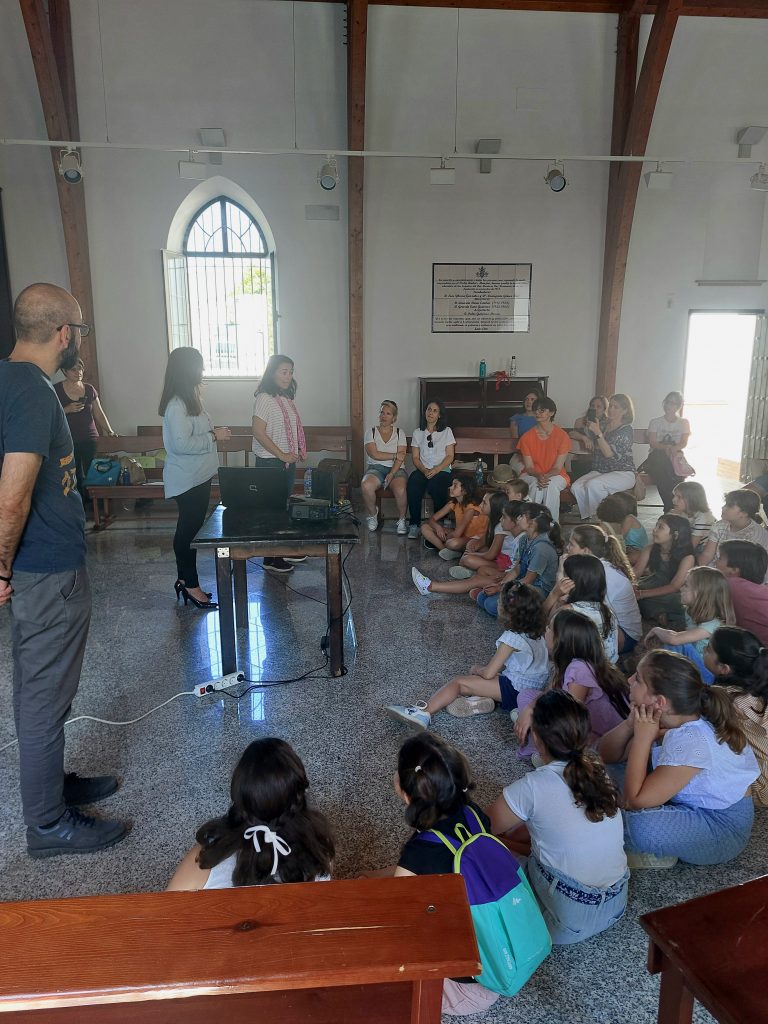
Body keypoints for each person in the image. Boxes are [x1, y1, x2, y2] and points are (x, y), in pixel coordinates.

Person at [0, 282, 127, 856]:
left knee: (44, 690)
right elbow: (14, 493)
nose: (79, 338)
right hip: (47, 572)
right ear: (64, 333)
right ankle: (48, 824)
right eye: (80, 329)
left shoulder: (10, 381)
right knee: (44, 696)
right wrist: (2, 567)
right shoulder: (31, 390)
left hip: (39, 570)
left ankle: (53, 786)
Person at [489, 691, 629, 945]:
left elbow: (482, 826)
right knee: (536, 828)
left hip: (563, 921)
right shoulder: (598, 772)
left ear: (537, 738)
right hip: (616, 906)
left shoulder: (533, 786)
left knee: (480, 846)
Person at [608, 651, 758, 869]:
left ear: (660, 701)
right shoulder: (674, 716)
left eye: (638, 679)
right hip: (688, 805)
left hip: (720, 829)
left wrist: (642, 739)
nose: (629, 680)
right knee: (606, 771)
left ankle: (660, 851)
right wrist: (630, 725)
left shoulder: (691, 739)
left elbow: (634, 801)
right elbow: (606, 754)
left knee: (637, 827)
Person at [388, 733, 501, 1015]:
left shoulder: (419, 855)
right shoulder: (474, 814)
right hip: (500, 956)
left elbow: (398, 919)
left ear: (406, 794)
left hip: (465, 990)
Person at [167, 738, 334, 890]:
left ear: (239, 795)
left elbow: (168, 905)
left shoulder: (207, 859)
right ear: (300, 795)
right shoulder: (320, 849)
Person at [384, 581, 548, 730]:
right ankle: (480, 701)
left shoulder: (512, 638)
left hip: (515, 691)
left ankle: (423, 712)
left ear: (507, 612)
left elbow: (489, 673)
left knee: (459, 683)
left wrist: (478, 670)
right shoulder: (539, 633)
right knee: (485, 679)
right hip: (532, 692)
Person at [160, 347, 230, 606]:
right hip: (187, 479)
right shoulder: (176, 405)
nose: (203, 371)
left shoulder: (190, 399)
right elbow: (181, 445)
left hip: (198, 476)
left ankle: (185, 580)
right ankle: (190, 584)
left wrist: (212, 433)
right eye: (199, 366)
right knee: (187, 533)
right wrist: (214, 436)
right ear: (187, 370)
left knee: (190, 530)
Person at [514, 609, 630, 754]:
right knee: (526, 696)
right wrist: (531, 708)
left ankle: (542, 750)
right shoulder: (578, 662)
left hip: (596, 741)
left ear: (560, 640)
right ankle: (531, 730)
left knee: (541, 715)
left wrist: (535, 713)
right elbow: (550, 694)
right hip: (583, 726)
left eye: (550, 628)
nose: (546, 629)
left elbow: (569, 719)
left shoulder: (579, 669)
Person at [252, 354, 306, 572]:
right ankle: (272, 558)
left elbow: (289, 429)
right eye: (284, 372)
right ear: (272, 373)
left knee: (282, 508)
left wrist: (294, 451)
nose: (288, 376)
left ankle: (280, 550)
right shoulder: (264, 398)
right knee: (272, 510)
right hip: (271, 462)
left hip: (285, 460)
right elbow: (258, 432)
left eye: (290, 372)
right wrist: (282, 454)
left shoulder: (285, 398)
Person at [705, 627, 768, 807]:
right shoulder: (760, 682)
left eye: (708, 649)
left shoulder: (729, 698)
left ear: (724, 668)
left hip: (761, 786)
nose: (704, 650)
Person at [411, 499, 525, 597]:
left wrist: (501, 583)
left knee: (476, 580)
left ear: (516, 521)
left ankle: (430, 586)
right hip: (509, 573)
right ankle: (484, 590)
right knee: (482, 570)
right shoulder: (518, 537)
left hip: (513, 577)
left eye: (504, 517)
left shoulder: (522, 540)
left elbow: (520, 572)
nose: (500, 520)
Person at [646, 566, 735, 683]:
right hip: (691, 664)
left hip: (707, 675)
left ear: (701, 593)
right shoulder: (690, 611)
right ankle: (654, 670)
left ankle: (652, 673)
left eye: (686, 585)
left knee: (677, 643)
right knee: (670, 641)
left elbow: (675, 639)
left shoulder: (713, 625)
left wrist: (656, 630)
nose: (680, 588)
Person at [563, 524, 641, 652]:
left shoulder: (604, 573)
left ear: (586, 551)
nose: (567, 548)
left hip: (626, 636)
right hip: (611, 625)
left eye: (571, 544)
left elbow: (596, 612)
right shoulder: (592, 567)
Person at [53, 356, 117, 504]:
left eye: (80, 368)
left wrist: (110, 431)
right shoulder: (56, 389)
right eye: (74, 369)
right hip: (68, 439)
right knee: (73, 473)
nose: (78, 372)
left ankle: (98, 504)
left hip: (90, 437)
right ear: (64, 371)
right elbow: (51, 415)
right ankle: (79, 504)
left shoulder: (89, 389)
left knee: (94, 471)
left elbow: (99, 413)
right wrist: (66, 409)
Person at [569, 394, 636, 520]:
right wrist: (584, 436)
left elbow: (608, 453)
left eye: (616, 407)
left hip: (623, 472)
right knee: (576, 487)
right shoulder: (603, 425)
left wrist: (598, 433)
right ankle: (589, 517)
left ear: (625, 410)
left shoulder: (626, 430)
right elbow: (573, 433)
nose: (611, 409)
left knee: (593, 485)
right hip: (601, 471)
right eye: (610, 406)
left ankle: (601, 519)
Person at [543, 554, 619, 663]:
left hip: (576, 671)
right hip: (606, 668)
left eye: (564, 576)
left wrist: (554, 594)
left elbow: (539, 627)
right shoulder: (608, 611)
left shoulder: (566, 612)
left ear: (570, 583)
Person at [634, 513, 695, 628]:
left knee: (682, 603)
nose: (654, 530)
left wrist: (642, 594)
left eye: (660, 527)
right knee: (632, 595)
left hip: (676, 592)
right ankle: (661, 615)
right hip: (653, 584)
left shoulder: (687, 557)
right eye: (656, 526)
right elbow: (635, 573)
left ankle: (663, 615)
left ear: (675, 534)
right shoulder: (650, 549)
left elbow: (674, 587)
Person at [406, 399, 456, 539]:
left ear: (439, 415)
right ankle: (414, 524)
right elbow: (415, 457)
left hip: (442, 469)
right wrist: (424, 470)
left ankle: (439, 522)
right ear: (425, 412)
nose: (431, 413)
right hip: (423, 469)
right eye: (429, 409)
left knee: (436, 485)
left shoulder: (446, 431)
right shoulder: (418, 433)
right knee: (413, 483)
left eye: (435, 411)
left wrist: (437, 469)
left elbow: (450, 456)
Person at [517, 397, 571, 523]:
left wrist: (545, 476)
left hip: (556, 474)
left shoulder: (562, 436)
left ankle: (551, 525)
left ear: (551, 412)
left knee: (550, 485)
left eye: (542, 410)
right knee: (536, 485)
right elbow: (529, 467)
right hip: (531, 474)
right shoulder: (526, 437)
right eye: (536, 410)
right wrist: (539, 476)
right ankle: (530, 523)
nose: (537, 413)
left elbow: (557, 467)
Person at [697, 489, 768, 582]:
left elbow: (744, 572)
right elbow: (707, 555)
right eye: (725, 504)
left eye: (729, 506)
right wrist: (694, 573)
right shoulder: (720, 525)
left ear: (744, 513)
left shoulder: (754, 537)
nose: (723, 508)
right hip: (718, 570)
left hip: (742, 579)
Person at [361, 400, 408, 534]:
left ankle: (402, 520)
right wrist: (394, 455)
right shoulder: (371, 432)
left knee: (400, 489)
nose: (384, 416)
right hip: (375, 468)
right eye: (382, 412)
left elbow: (401, 457)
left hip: (397, 469)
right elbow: (374, 454)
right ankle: (373, 514)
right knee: (366, 485)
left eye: (388, 413)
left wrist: (391, 473)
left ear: (394, 417)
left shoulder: (399, 432)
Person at [639, 391, 692, 511]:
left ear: (678, 405)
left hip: (675, 456)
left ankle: (670, 508)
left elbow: (683, 442)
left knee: (672, 474)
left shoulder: (684, 422)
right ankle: (670, 507)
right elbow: (653, 442)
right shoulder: (655, 422)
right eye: (667, 402)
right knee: (663, 467)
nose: (669, 405)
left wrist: (673, 449)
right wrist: (666, 448)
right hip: (656, 457)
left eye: (673, 403)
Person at [715, 540, 768, 645]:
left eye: (720, 558)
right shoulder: (755, 590)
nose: (715, 562)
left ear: (734, 570)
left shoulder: (731, 585)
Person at [420, 475, 486, 558]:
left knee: (452, 543)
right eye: (452, 485)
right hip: (461, 535)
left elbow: (457, 534)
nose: (450, 487)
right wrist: (437, 528)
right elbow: (431, 519)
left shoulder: (471, 509)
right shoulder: (453, 503)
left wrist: (443, 537)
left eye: (455, 486)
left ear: (464, 491)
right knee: (425, 527)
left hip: (474, 538)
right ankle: (445, 550)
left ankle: (448, 549)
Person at [595, 492, 648, 567]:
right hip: (627, 549)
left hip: (636, 551)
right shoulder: (621, 520)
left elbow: (620, 538)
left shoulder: (629, 518)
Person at [671, 481, 715, 552]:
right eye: (674, 496)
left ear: (692, 500)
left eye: (679, 497)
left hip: (702, 548)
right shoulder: (683, 512)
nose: (673, 500)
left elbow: (692, 546)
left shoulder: (703, 518)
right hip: (689, 543)